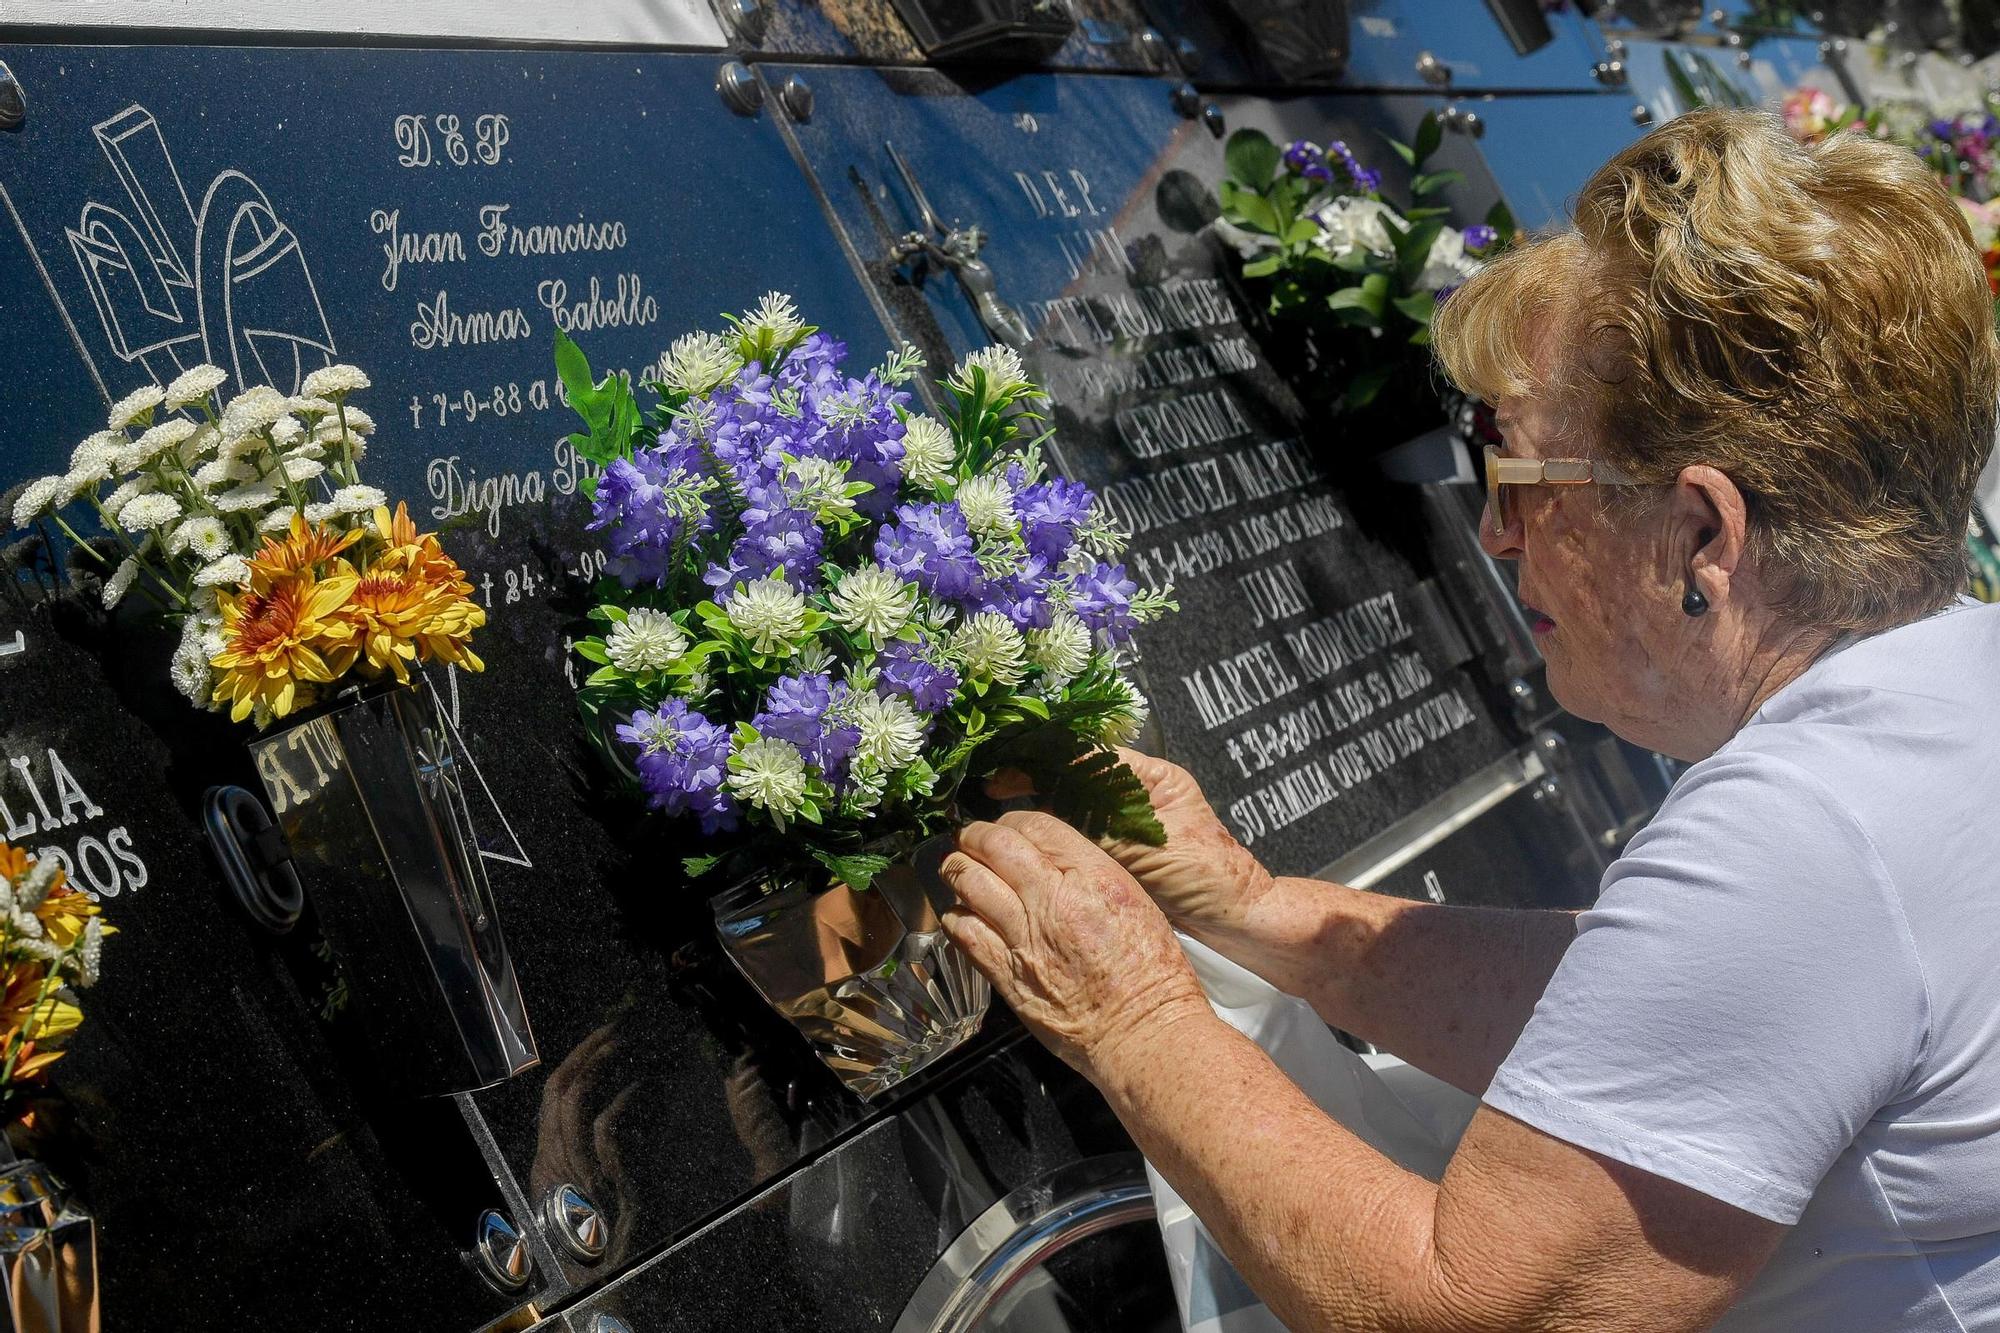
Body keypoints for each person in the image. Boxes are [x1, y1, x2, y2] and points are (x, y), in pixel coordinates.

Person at [937, 107, 2000, 1331]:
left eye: (1515, 474)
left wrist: (1130, 1012)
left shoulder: (1803, 834)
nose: (1493, 533)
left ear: (1699, 533)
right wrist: (1258, 907)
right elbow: (1651, 1016)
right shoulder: (1942, 698)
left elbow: (1470, 1314)